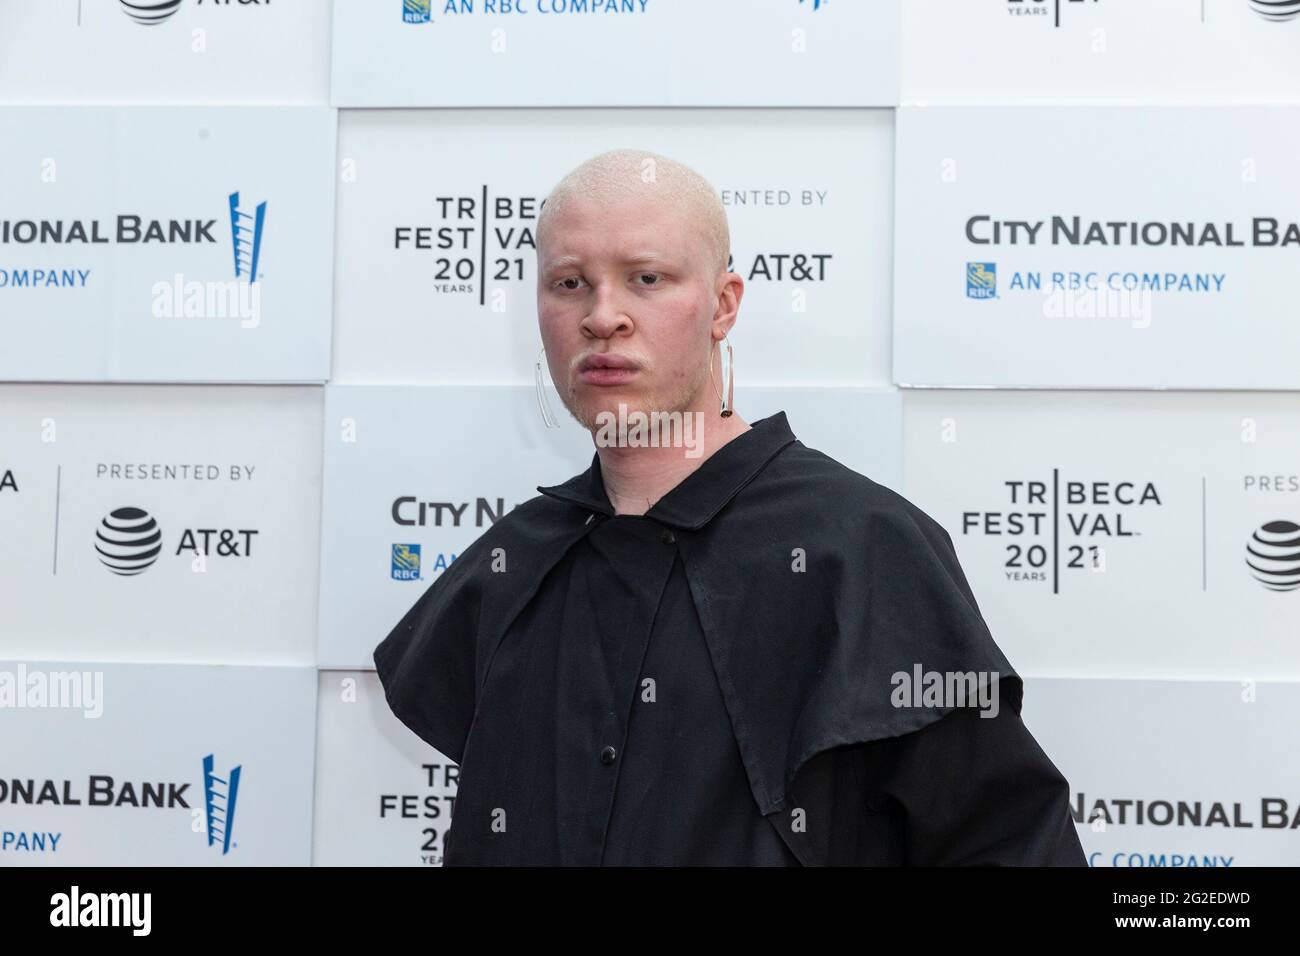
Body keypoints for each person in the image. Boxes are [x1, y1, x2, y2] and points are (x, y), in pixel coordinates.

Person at [374, 149, 1086, 866]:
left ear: (724, 304)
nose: (602, 317)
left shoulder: (864, 549)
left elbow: (1014, 844)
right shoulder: (511, 566)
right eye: (569, 283)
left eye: (645, 278)